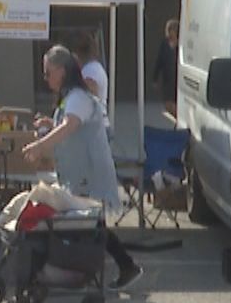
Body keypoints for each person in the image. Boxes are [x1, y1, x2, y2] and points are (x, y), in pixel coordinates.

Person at [23, 45, 143, 289]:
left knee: (86, 224)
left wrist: (39, 146)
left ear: (62, 71)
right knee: (89, 224)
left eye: (48, 72)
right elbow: (68, 125)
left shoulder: (78, 97)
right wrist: (50, 124)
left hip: (90, 173)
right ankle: (118, 267)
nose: (46, 79)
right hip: (80, 173)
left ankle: (100, 269)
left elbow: (70, 126)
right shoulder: (71, 98)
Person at [152, 19, 182, 120]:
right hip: (168, 80)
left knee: (176, 102)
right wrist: (155, 78)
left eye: (171, 30)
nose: (169, 32)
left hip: (178, 79)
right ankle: (178, 118)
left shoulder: (181, 44)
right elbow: (159, 61)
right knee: (168, 104)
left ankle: (180, 119)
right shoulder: (164, 44)